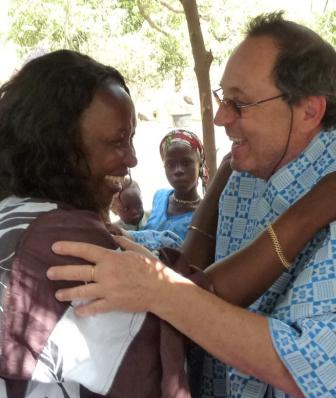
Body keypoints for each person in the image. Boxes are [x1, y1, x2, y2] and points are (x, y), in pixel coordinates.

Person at [46, 12, 336, 398]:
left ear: (309, 110)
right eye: (224, 97)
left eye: (240, 103)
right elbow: (210, 284)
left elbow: (308, 365)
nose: (220, 118)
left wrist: (159, 291)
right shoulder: (244, 177)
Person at [0, 49, 197, 397]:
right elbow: (160, 336)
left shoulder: (14, 213)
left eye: (132, 138)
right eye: (117, 141)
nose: (133, 158)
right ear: (58, 147)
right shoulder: (69, 246)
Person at [131, 129, 208, 244]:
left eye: (186, 163)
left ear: (200, 165)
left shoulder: (204, 214)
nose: (178, 170)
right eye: (170, 164)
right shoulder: (160, 197)